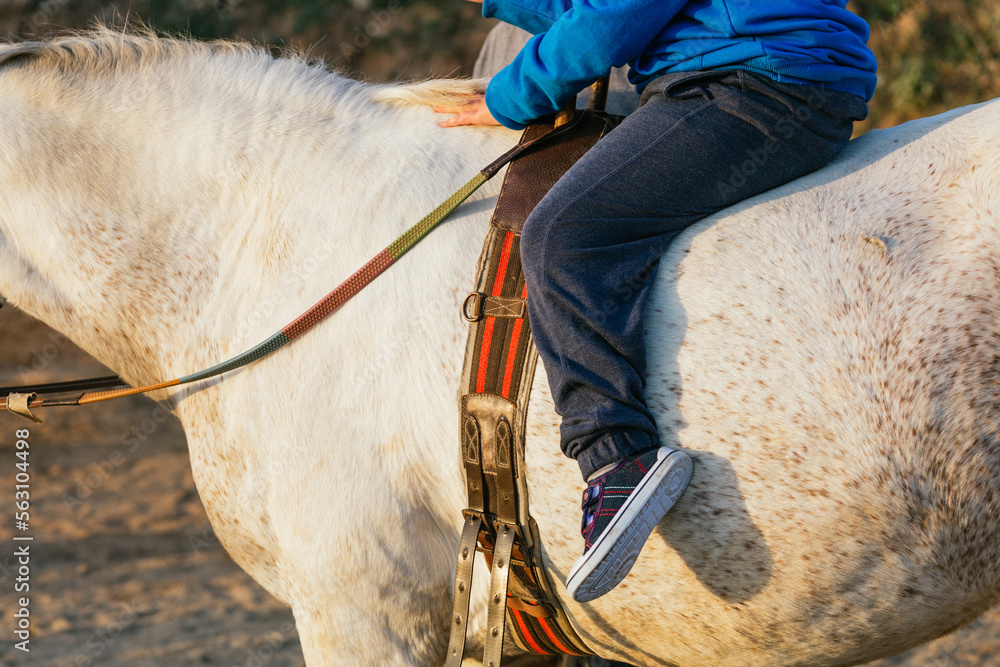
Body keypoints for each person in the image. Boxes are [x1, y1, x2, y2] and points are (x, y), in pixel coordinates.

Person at [434, 0, 876, 603]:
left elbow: (616, 16)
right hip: (758, 66)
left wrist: (509, 96)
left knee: (563, 235)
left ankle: (617, 459)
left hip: (743, 79)